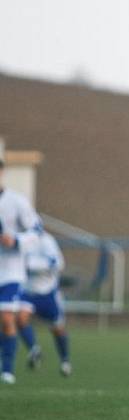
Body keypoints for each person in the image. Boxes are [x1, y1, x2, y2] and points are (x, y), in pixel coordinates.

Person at [0, 155, 43, 385]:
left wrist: (15, 241)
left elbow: (37, 232)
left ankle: (7, 371)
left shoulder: (16, 202)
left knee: (7, 317)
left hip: (10, 272)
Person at [18, 230, 72, 376]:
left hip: (47, 292)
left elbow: (58, 263)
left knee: (57, 328)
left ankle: (65, 361)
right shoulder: (21, 240)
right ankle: (34, 350)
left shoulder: (47, 241)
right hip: (27, 291)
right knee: (21, 319)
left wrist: (31, 265)